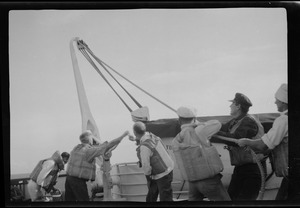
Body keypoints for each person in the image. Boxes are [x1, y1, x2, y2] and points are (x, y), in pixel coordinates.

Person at [237, 83, 288, 200]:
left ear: (284, 102)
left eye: (277, 100)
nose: (275, 102)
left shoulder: (283, 120)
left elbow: (262, 145)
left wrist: (246, 141)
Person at [172, 106, 231, 201]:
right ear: (194, 119)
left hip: (192, 183)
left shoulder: (176, 140)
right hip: (209, 181)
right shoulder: (199, 130)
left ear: (179, 120)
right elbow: (217, 124)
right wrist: (199, 123)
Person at [214, 93, 265, 201]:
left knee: (246, 201)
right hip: (241, 168)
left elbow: (236, 138)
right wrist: (205, 127)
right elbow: (221, 128)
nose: (230, 106)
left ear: (238, 106)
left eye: (232, 103)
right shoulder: (234, 121)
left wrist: (211, 132)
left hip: (253, 169)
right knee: (231, 198)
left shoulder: (249, 121)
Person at [65, 130, 129, 201]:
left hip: (69, 179)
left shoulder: (76, 148)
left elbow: (96, 148)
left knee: (69, 201)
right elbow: (108, 145)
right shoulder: (88, 151)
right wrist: (123, 136)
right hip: (78, 182)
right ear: (90, 139)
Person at [129, 121, 174, 202]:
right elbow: (145, 140)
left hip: (161, 175)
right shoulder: (152, 136)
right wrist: (135, 139)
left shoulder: (144, 147)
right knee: (152, 197)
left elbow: (146, 166)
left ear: (135, 132)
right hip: (168, 169)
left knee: (164, 199)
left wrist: (148, 176)